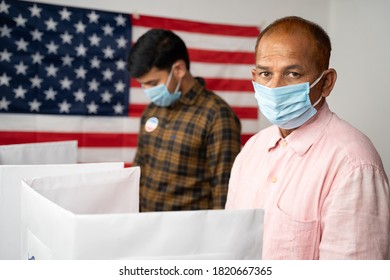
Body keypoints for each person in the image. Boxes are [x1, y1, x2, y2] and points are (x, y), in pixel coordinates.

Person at [225, 16, 390, 259]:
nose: (274, 87)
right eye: (265, 73)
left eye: (292, 74)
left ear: (326, 83)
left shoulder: (353, 163)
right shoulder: (252, 149)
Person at [128, 29, 241, 212]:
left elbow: (224, 188)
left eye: (153, 83)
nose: (147, 91)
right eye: (143, 85)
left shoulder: (217, 115)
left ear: (178, 69)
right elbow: (140, 166)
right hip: (145, 224)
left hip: (189, 232)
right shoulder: (152, 109)